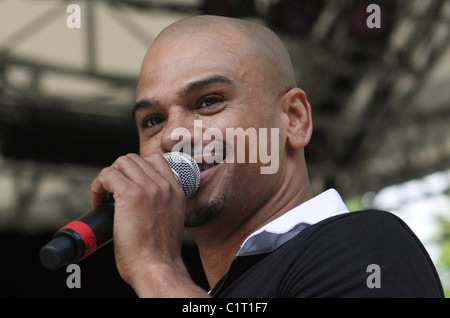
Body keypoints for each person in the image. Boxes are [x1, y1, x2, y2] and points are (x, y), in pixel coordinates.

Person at [89, 15, 444, 297]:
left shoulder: (368, 245)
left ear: (294, 119)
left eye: (209, 101)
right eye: (152, 120)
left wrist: (156, 267)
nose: (173, 135)